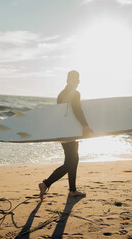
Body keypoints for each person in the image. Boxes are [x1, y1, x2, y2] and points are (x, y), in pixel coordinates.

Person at [39, 70, 93, 201]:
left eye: (76, 79)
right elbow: (76, 109)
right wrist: (85, 125)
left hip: (64, 132)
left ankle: (72, 190)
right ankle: (46, 183)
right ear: (69, 80)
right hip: (68, 132)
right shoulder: (74, 93)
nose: (75, 82)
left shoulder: (61, 94)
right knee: (71, 162)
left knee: (72, 160)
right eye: (73, 79)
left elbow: (62, 114)